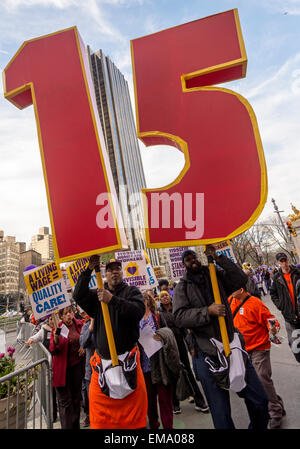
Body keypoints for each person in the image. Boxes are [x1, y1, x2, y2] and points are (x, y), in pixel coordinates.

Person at [172, 246, 270, 429]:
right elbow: (178, 317)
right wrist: (207, 312)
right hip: (207, 354)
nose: (192, 260)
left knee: (260, 401)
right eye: (188, 259)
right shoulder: (181, 287)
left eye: (194, 257)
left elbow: (240, 279)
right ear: (183, 264)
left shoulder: (214, 274)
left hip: (232, 346)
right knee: (221, 417)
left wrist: (218, 258)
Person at [73, 256, 147, 429]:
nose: (114, 271)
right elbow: (78, 295)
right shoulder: (97, 294)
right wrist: (89, 268)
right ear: (105, 274)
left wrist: (111, 300)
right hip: (102, 368)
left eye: (117, 269)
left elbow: (137, 311)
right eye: (110, 269)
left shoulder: (132, 292)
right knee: (101, 420)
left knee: (134, 419)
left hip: (129, 364)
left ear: (122, 272)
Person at [229, 285, 285, 429]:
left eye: (233, 287)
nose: (230, 290)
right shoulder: (230, 301)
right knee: (258, 383)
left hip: (260, 348)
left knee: (262, 379)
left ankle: (275, 413)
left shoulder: (255, 303)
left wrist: (273, 328)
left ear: (241, 289)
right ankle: (276, 401)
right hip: (242, 351)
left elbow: (271, 320)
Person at [158, 290, 209, 414]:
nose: (165, 297)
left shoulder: (177, 310)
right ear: (159, 300)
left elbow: (185, 330)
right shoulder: (159, 314)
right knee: (173, 375)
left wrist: (190, 347)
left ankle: (200, 401)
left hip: (181, 345)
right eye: (162, 296)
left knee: (188, 373)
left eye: (166, 295)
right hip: (169, 348)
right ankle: (175, 404)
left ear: (170, 297)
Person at [139, 292, 179, 429]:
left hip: (161, 365)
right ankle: (154, 427)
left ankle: (169, 427)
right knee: (150, 403)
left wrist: (161, 335)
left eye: (142, 299)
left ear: (147, 301)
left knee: (165, 401)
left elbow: (169, 332)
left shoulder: (157, 316)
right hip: (145, 367)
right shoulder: (134, 320)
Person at [49, 306, 85, 429]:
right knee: (65, 404)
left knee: (76, 401)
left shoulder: (78, 324)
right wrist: (56, 338)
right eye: (66, 313)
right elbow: (53, 350)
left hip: (77, 369)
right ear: (61, 316)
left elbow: (85, 338)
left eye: (70, 312)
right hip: (62, 372)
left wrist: (83, 347)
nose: (69, 315)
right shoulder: (57, 328)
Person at [25, 314, 58, 422]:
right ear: (48, 320)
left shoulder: (61, 328)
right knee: (51, 390)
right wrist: (30, 340)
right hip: (49, 367)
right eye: (51, 319)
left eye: (55, 318)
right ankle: (52, 415)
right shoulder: (44, 330)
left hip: (60, 364)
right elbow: (35, 337)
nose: (53, 321)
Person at [270, 252, 300, 363]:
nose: (284, 263)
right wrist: (281, 306)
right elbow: (273, 293)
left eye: (285, 260)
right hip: (289, 315)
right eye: (281, 261)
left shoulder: (297, 273)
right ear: (278, 263)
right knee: (294, 342)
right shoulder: (277, 278)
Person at [79, 315, 95, 428]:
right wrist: (91, 326)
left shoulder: (104, 324)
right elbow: (83, 343)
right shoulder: (86, 327)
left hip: (105, 371)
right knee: (92, 402)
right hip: (91, 372)